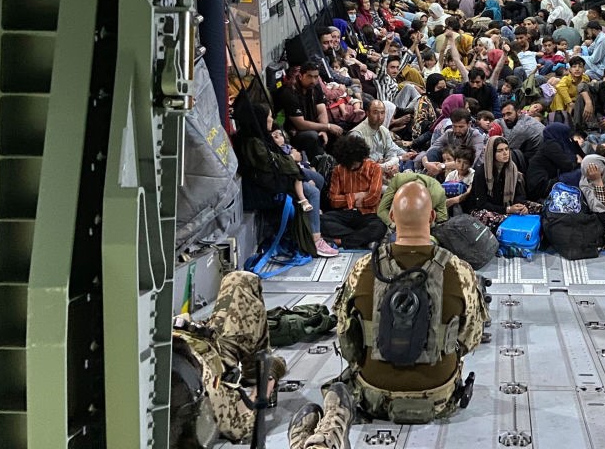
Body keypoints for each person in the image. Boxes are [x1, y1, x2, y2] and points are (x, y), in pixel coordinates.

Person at [292, 182, 487, 446]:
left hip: (372, 395)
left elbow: (346, 339)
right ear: (432, 217)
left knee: (341, 384)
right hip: (438, 397)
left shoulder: (362, 268)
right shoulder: (460, 270)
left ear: (392, 218)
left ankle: (332, 422)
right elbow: (469, 340)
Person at [172, 272, 286, 447]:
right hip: (214, 355)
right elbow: (244, 423)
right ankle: (258, 370)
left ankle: (257, 369)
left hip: (192, 339)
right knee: (242, 280)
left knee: (240, 280)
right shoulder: (200, 386)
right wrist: (269, 377)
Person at [233, 103, 338, 257]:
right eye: (268, 116)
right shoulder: (252, 142)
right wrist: (291, 160)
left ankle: (314, 220)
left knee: (318, 179)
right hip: (268, 183)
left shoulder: (261, 135)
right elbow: (272, 163)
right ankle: (315, 239)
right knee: (313, 192)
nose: (271, 119)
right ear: (260, 119)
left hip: (280, 174)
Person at [323, 134, 388, 249]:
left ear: (361, 157)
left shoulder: (374, 168)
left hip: (368, 215)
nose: (351, 167)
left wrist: (346, 199)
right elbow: (333, 200)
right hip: (345, 214)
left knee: (379, 227)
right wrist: (356, 197)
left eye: (354, 163)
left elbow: (373, 198)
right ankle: (362, 239)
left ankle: (342, 241)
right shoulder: (338, 170)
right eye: (348, 164)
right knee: (320, 221)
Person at [276, 60, 343, 160]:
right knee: (313, 136)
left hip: (314, 126)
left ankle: (339, 164)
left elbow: (321, 111)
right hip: (294, 133)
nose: (313, 80)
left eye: (316, 77)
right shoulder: (289, 93)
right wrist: (327, 127)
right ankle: (321, 165)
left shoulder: (315, 87)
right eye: (309, 76)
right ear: (300, 76)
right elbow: (300, 124)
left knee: (337, 131)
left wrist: (324, 130)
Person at [465, 135, 530, 229]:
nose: (505, 153)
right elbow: (482, 203)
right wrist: (507, 209)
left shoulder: (512, 168)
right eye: (500, 151)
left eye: (507, 149)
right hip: (483, 209)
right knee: (502, 220)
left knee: (537, 208)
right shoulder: (482, 172)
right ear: (491, 153)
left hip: (506, 206)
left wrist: (520, 205)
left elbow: (519, 193)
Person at [350, 101, 417, 179]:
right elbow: (362, 167)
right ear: (367, 113)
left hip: (384, 171)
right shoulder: (356, 135)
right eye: (375, 113)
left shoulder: (383, 130)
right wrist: (396, 160)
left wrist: (409, 155)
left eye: (382, 113)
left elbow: (392, 148)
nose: (379, 117)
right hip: (365, 178)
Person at [527, 122, 583, 200]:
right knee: (580, 173)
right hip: (541, 187)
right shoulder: (550, 145)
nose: (569, 138)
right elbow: (567, 166)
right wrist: (577, 160)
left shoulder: (555, 144)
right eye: (566, 134)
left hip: (546, 182)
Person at [495, 102, 545, 169]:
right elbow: (501, 121)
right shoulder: (526, 119)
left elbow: (507, 147)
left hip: (535, 165)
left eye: (509, 114)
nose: (505, 118)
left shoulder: (522, 128)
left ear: (518, 112)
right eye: (503, 115)